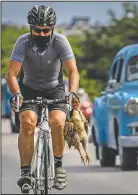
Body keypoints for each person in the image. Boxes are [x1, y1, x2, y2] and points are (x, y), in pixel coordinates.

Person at [5, 5, 80, 193]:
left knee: (57, 122)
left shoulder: (60, 41)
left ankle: (59, 165)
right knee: (27, 122)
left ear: (52, 28)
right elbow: (12, 74)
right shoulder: (23, 42)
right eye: (37, 30)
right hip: (28, 89)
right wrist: (16, 94)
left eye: (46, 30)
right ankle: (25, 173)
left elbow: (72, 71)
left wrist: (72, 92)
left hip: (55, 88)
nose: (41, 34)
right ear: (31, 28)